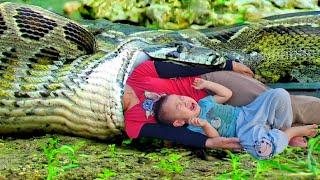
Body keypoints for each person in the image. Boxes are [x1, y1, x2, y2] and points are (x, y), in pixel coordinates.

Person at [123, 54, 320, 150]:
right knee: (269, 113)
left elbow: (184, 67)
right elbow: (173, 132)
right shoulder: (132, 124)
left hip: (210, 86)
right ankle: (286, 131)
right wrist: (210, 142)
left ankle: (286, 130)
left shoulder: (138, 73)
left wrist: (227, 65)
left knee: (284, 102)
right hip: (206, 119)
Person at [153, 78, 318, 159]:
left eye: (182, 97)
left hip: (247, 113)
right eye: (178, 106)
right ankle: (289, 134)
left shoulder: (204, 102)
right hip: (243, 131)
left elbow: (227, 94)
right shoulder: (193, 128)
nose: (184, 101)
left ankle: (283, 131)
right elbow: (217, 139)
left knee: (279, 94)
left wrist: (207, 85)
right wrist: (205, 126)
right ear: (179, 122)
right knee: (263, 150)